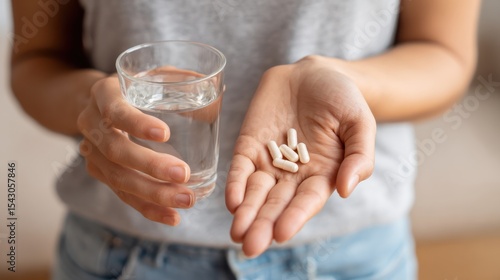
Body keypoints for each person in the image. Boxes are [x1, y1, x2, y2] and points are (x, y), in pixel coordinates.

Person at [10, 0, 480, 279]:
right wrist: (89, 107)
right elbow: (36, 60)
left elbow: (446, 54)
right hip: (121, 252)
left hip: (354, 254)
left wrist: (344, 80)